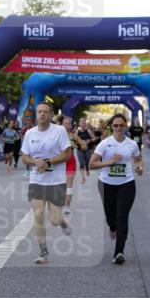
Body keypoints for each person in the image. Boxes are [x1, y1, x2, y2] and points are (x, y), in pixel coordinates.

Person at [19, 102, 73, 264]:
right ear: (36, 114)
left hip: (56, 181)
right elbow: (24, 157)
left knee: (54, 221)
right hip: (37, 181)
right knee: (38, 214)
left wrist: (48, 162)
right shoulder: (30, 134)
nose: (42, 114)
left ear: (50, 115)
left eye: (45, 112)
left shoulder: (59, 131)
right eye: (39, 111)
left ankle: (63, 221)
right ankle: (43, 252)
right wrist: (35, 161)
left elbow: (67, 154)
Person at [89, 113, 143, 264]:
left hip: (127, 183)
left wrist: (139, 167)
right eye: (115, 125)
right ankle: (112, 227)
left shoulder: (132, 144)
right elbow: (92, 164)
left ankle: (119, 252)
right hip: (106, 184)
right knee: (111, 217)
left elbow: (138, 159)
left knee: (122, 217)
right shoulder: (105, 144)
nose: (118, 128)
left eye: (121, 125)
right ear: (111, 127)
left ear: (126, 126)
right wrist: (109, 162)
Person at [60, 116, 81, 215]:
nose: (67, 125)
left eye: (69, 123)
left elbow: (84, 145)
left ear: (71, 125)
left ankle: (67, 206)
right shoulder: (56, 135)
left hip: (70, 161)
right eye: (65, 123)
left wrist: (77, 145)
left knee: (69, 183)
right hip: (59, 161)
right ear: (62, 125)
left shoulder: (74, 136)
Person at [76, 118, 94, 184]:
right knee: (81, 163)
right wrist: (78, 143)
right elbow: (74, 139)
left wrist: (89, 140)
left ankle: (87, 169)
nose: (83, 124)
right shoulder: (77, 132)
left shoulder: (88, 131)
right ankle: (83, 178)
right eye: (82, 123)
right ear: (79, 124)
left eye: (84, 123)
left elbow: (94, 138)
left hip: (87, 150)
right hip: (79, 149)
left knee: (87, 163)